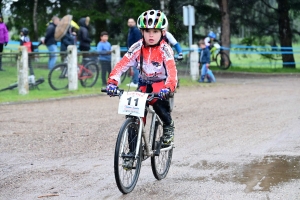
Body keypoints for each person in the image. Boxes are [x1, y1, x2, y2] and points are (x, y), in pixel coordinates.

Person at [106, 10, 177, 145]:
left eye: (155, 31)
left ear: (162, 33)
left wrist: (168, 88)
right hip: (143, 82)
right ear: (141, 32)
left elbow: (172, 72)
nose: (151, 35)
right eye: (147, 31)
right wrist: (112, 83)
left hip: (160, 83)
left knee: (158, 101)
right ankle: (131, 153)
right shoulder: (137, 47)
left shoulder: (165, 49)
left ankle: (168, 125)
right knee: (133, 114)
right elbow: (121, 65)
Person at [126, 18, 142, 87]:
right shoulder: (130, 30)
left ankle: (136, 81)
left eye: (132, 22)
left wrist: (135, 49)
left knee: (135, 66)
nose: (130, 23)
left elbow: (138, 41)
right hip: (131, 50)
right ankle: (134, 81)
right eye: (129, 22)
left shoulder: (135, 30)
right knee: (133, 65)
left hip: (135, 50)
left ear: (135, 23)